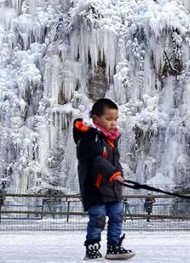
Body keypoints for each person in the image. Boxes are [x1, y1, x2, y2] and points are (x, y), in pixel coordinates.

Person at [73, 98, 135, 260]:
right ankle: (92, 246)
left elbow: (115, 163)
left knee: (117, 215)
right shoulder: (88, 139)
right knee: (98, 217)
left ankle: (114, 246)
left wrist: (120, 178)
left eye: (115, 119)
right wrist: (113, 174)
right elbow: (96, 160)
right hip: (94, 189)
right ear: (95, 119)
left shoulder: (111, 140)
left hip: (111, 188)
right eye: (109, 119)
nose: (113, 123)